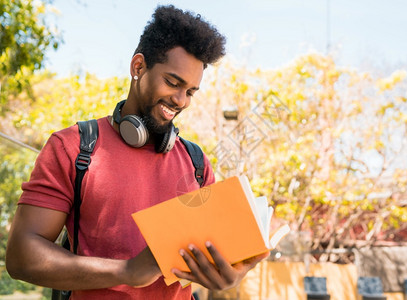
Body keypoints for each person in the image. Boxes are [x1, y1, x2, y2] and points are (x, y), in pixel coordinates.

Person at [6, 5, 268, 299]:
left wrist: (227, 275)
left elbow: (213, 253)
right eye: (172, 82)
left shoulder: (197, 164)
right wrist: (127, 271)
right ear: (138, 67)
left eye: (191, 91)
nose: (181, 101)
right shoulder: (73, 147)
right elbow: (22, 256)